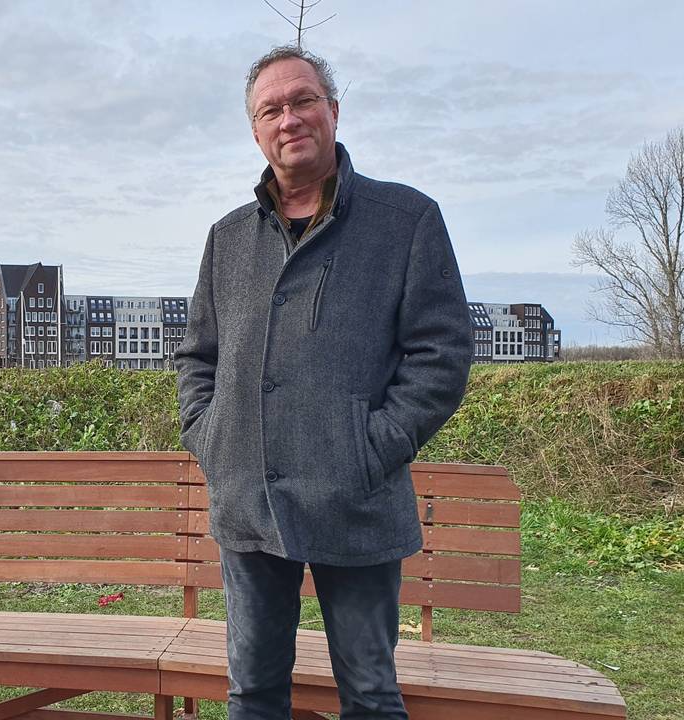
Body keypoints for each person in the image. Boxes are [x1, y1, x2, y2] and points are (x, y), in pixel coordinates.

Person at [173, 46, 473, 720]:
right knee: (252, 693)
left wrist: (372, 447)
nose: (290, 118)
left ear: (333, 110)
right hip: (249, 499)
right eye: (271, 109)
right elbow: (198, 356)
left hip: (357, 500)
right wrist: (212, 434)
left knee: (369, 692)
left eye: (303, 100)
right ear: (255, 131)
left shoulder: (407, 222)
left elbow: (442, 354)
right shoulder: (227, 239)